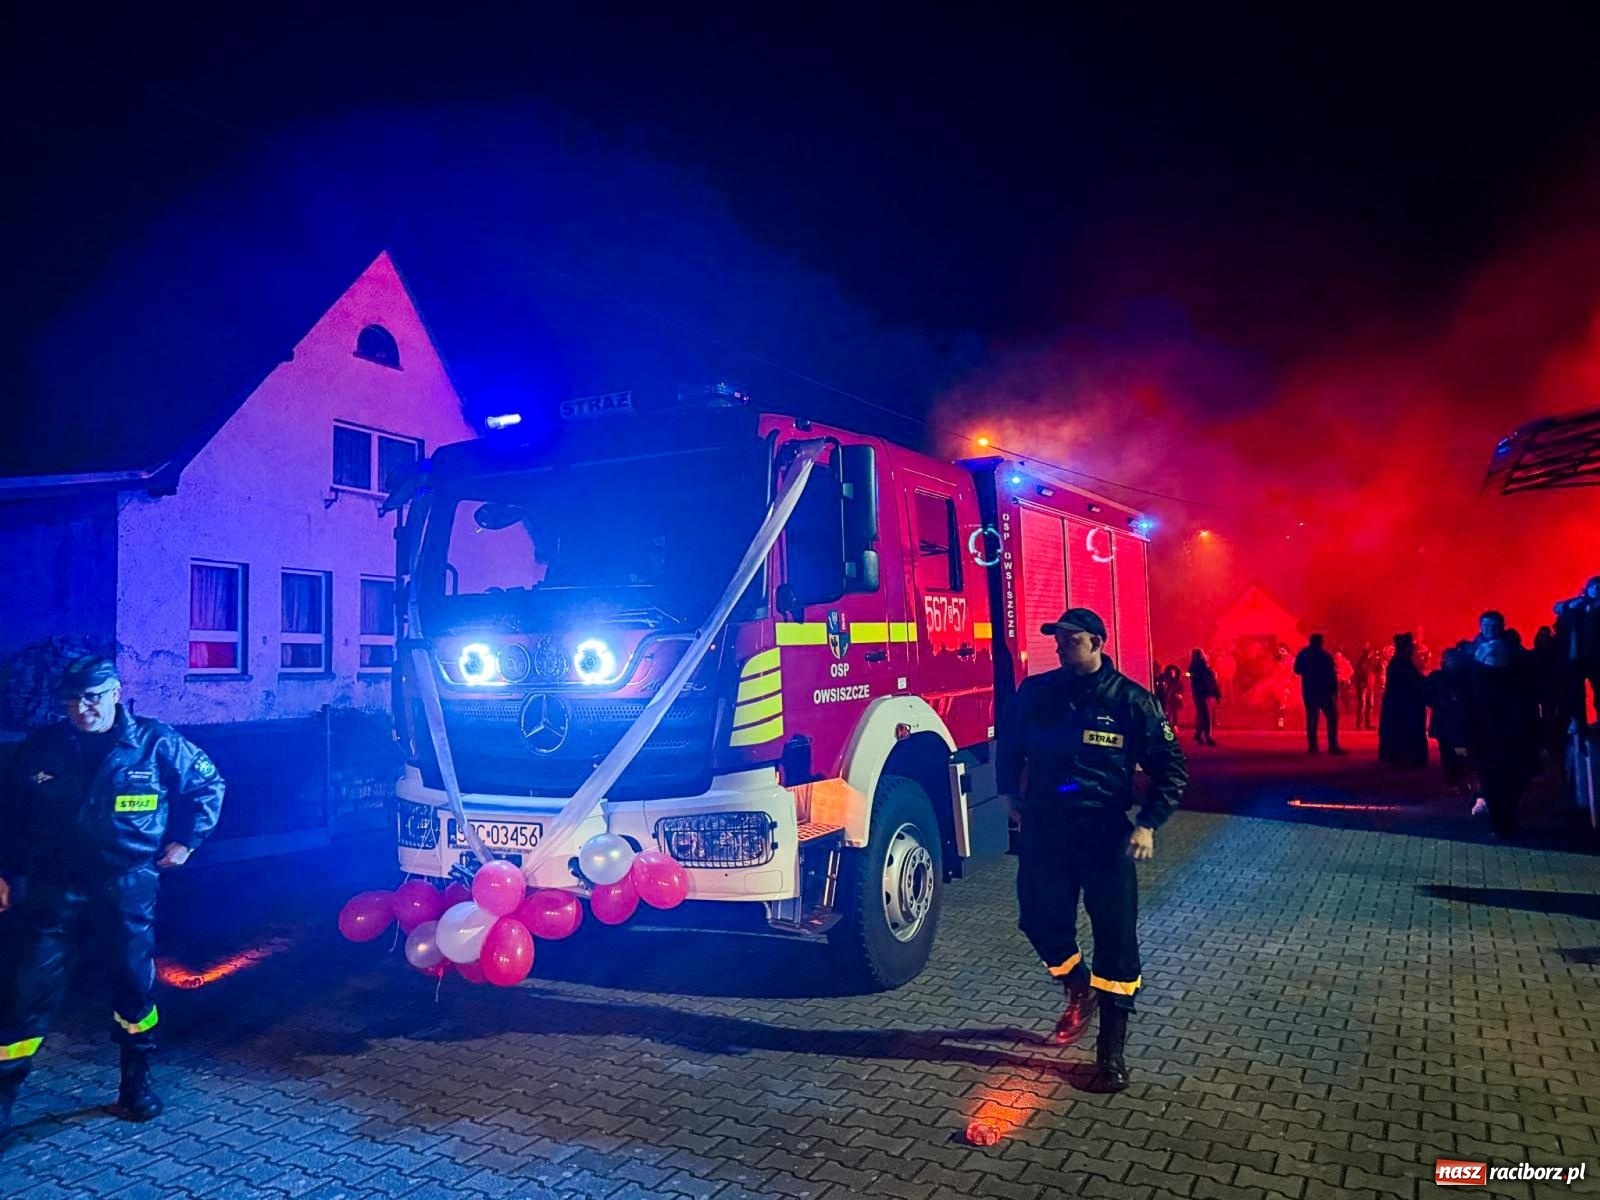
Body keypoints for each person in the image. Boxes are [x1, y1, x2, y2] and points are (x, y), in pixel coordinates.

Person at [0, 656, 225, 1138]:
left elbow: (207, 784)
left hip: (125, 885)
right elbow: (9, 813)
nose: (81, 709)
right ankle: (3, 1098)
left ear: (116, 693)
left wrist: (187, 840)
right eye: (72, 701)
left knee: (132, 985)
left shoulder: (154, 741)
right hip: (52, 888)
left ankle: (135, 1084)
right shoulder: (42, 747)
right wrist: (4, 871)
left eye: (92, 697)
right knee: (23, 990)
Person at [997, 608, 1188, 1092]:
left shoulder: (1132, 702)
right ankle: (1078, 985)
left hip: (1104, 835)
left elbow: (1171, 768)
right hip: (1045, 831)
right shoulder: (1037, 693)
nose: (1060, 646)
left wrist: (1148, 824)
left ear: (1098, 643)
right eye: (1057, 639)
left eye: (1071, 639)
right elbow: (1010, 744)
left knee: (1116, 940)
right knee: (1037, 919)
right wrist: (1008, 792)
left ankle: (1111, 1053)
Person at [1464, 638, 1540, 839]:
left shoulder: (1478, 684)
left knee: (1494, 785)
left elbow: (1471, 718)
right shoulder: (1514, 683)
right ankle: (1504, 821)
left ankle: (1500, 823)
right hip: (1506, 743)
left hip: (1491, 745)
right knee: (1506, 784)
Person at [1378, 633, 1429, 768]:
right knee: (1404, 731)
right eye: (1410, 646)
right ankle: (1404, 758)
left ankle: (1402, 757)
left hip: (1400, 705)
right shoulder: (1401, 663)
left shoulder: (1402, 662)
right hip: (1404, 706)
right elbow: (1411, 683)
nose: (1413, 649)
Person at [1293, 634, 1344, 754]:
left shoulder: (1304, 654)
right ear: (1320, 642)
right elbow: (1332, 674)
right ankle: (1332, 745)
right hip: (1324, 691)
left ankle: (1313, 746)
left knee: (1312, 718)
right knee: (1332, 717)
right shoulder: (1325, 656)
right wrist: (1334, 690)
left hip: (1309, 690)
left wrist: (1308, 672)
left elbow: (1297, 670)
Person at [1187, 649, 1220, 746]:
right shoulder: (1199, 667)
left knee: (1203, 715)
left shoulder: (1196, 666)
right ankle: (1207, 737)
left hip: (1200, 693)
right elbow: (1204, 679)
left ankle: (1198, 735)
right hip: (1201, 693)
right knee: (1205, 715)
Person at [1353, 644, 1376, 731]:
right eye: (1371, 653)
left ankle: (1367, 723)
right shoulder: (1362, 662)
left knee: (1370, 705)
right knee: (1362, 705)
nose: (1372, 654)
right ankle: (1360, 724)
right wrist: (1361, 683)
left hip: (1370, 686)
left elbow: (1375, 671)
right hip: (1363, 686)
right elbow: (1359, 674)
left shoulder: (1371, 662)